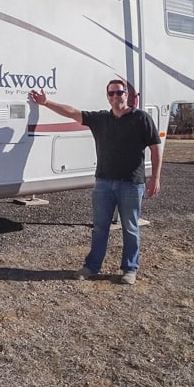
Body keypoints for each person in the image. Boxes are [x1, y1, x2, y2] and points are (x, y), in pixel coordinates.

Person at [28, 80, 161, 285]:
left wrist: (156, 178)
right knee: (100, 227)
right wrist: (46, 103)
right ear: (107, 96)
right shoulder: (100, 119)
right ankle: (91, 266)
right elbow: (72, 112)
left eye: (119, 92)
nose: (116, 96)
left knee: (131, 228)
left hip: (132, 184)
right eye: (111, 93)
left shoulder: (141, 118)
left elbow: (155, 148)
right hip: (104, 183)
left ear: (128, 95)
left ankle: (129, 269)